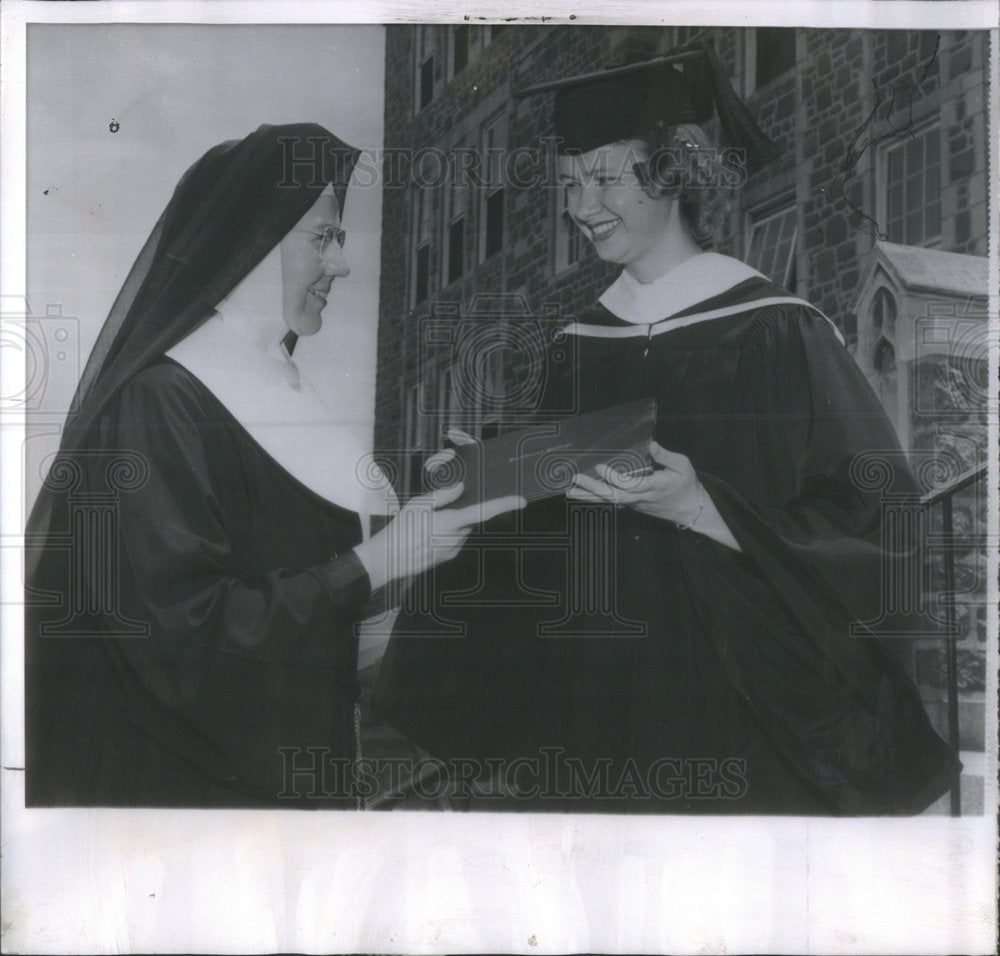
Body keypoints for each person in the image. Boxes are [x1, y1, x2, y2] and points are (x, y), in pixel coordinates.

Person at [373, 48, 961, 814]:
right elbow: (550, 545)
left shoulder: (775, 332)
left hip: (734, 724)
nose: (582, 206)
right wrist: (490, 483)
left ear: (673, 175)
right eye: (570, 182)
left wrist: (700, 506)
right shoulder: (580, 345)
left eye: (607, 177)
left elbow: (882, 525)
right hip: (590, 721)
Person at [24, 123, 523, 808]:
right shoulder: (161, 403)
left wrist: (441, 523)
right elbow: (182, 643)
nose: (342, 266)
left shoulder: (283, 387)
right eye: (323, 238)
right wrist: (376, 561)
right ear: (253, 245)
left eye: (339, 240)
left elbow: (343, 634)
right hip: (186, 806)